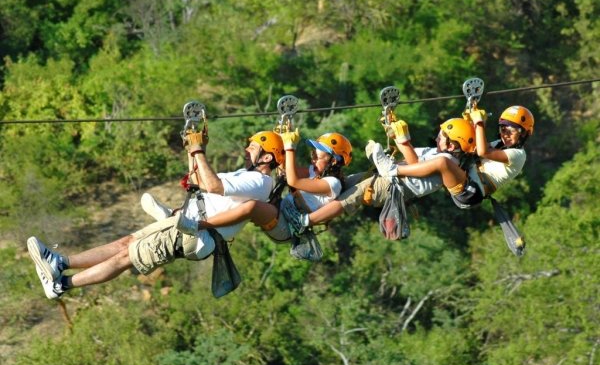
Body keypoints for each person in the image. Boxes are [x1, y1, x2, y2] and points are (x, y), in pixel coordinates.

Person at [27, 129, 285, 299]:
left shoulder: (260, 182)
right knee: (125, 244)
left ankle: (60, 285)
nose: (246, 151)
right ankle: (61, 263)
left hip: (193, 233)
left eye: (252, 147)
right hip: (186, 225)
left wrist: (199, 151)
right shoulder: (245, 176)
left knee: (125, 258)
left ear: (267, 157)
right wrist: (192, 150)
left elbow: (214, 185)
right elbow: (199, 180)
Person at [144, 131, 353, 248]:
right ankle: (175, 214)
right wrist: (281, 135)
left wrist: (289, 147)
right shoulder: (310, 171)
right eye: (314, 152)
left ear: (335, 160)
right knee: (245, 196)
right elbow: (282, 167)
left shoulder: (332, 184)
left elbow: (293, 180)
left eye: (320, 154)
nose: (314, 156)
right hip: (281, 213)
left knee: (252, 205)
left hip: (287, 226)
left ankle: (198, 225)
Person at [281, 117, 476, 232]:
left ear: (452, 144)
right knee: (350, 181)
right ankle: (388, 168)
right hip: (393, 178)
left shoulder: (449, 163)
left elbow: (415, 165)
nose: (436, 137)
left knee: (357, 192)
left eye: (441, 137)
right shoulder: (436, 153)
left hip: (399, 186)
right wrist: (397, 135)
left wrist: (401, 147)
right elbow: (412, 158)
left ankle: (305, 222)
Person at [371, 106, 534, 208]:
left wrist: (479, 124)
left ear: (525, 133)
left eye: (513, 131)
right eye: (503, 129)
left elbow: (483, 152)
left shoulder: (518, 155)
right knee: (430, 154)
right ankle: (394, 134)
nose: (506, 134)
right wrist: (470, 120)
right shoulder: (500, 143)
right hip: (465, 176)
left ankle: (392, 170)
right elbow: (477, 146)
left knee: (442, 161)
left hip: (470, 192)